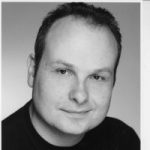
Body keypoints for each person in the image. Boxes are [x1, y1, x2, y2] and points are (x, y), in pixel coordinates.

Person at [2, 2, 140, 150]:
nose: (80, 96)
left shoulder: (124, 140)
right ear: (32, 71)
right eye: (63, 72)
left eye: (97, 77)